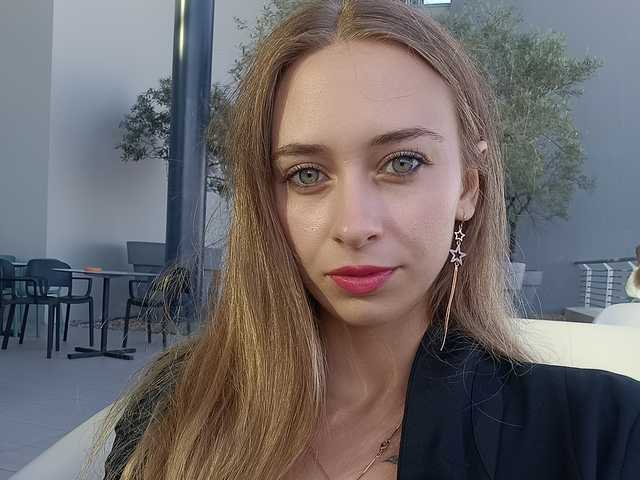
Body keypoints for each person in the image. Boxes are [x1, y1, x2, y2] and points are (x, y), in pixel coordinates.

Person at [95, 1, 640, 479]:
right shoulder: (175, 408)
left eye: (402, 163)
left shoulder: (599, 433)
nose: (354, 226)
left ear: (468, 188)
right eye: (307, 174)